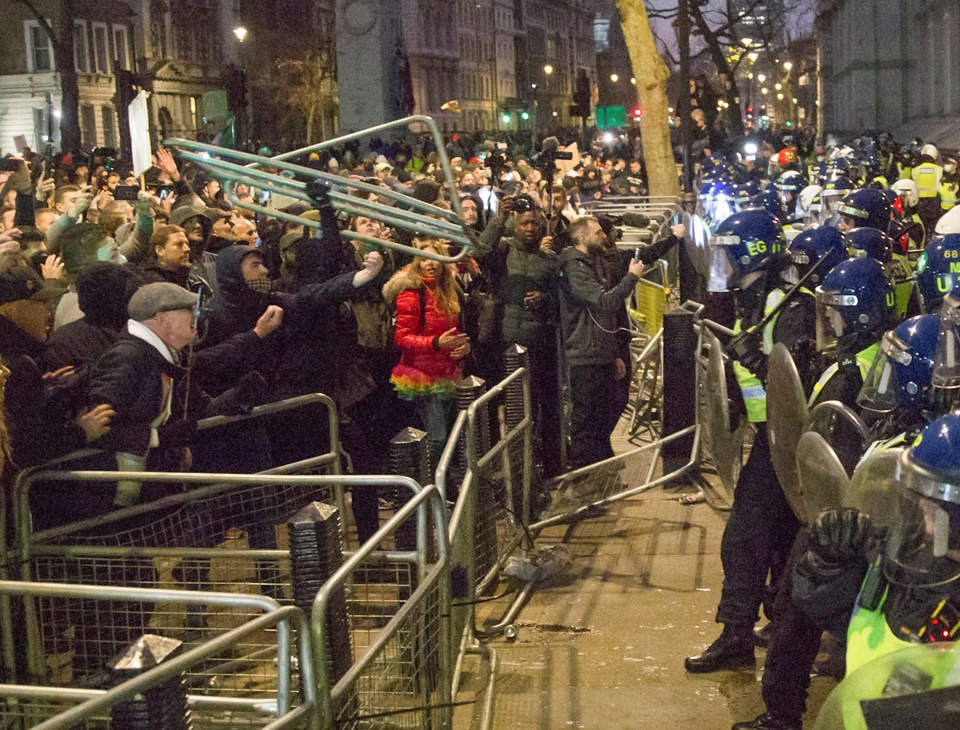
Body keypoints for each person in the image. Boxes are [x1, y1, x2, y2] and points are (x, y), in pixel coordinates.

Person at [685, 209, 815, 674]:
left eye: (727, 251)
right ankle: (773, 628)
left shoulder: (787, 302)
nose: (721, 261)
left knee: (743, 538)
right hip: (771, 434)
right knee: (779, 540)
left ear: (750, 250)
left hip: (789, 439)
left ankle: (736, 634)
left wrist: (755, 364)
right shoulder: (757, 297)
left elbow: (797, 379)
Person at [558, 216, 645, 468]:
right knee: (586, 419)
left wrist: (614, 352)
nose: (603, 236)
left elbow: (605, 315)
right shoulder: (575, 267)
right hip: (585, 353)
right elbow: (604, 302)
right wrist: (631, 278)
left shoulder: (594, 262)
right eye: (597, 233)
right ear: (583, 237)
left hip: (601, 350)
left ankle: (601, 463)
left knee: (607, 410)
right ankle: (584, 474)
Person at [382, 238, 470, 460]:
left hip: (447, 372)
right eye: (424, 259)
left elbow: (455, 330)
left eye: (435, 258)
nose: (430, 264)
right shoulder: (411, 294)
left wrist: (463, 347)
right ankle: (431, 484)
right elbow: (401, 338)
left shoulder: (449, 291)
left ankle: (441, 482)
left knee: (449, 433)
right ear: (417, 263)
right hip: (422, 374)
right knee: (437, 436)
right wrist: (435, 343)